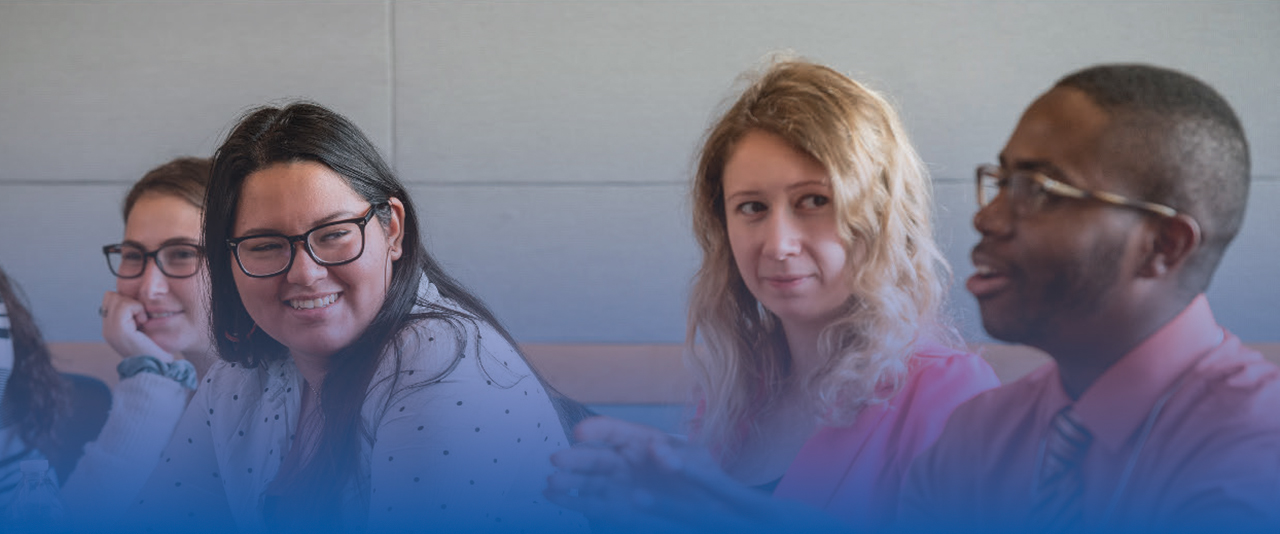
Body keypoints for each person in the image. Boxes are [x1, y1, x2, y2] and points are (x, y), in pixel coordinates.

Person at [546, 59, 998, 532]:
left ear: (883, 217)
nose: (778, 244)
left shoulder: (952, 396)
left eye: (814, 201)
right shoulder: (735, 393)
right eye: (752, 208)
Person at [125, 102, 587, 533]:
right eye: (265, 245)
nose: (304, 273)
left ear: (392, 229)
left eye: (334, 235)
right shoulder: (242, 377)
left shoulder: (443, 360)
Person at [899, 64, 1280, 532]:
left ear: (1164, 246)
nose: (987, 219)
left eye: (1039, 190)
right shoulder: (978, 436)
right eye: (1002, 182)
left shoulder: (1259, 448)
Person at [58, 157, 219, 526]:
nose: (149, 288)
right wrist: (153, 378)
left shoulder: (286, 397)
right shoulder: (170, 388)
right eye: (134, 256)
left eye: (181, 254)